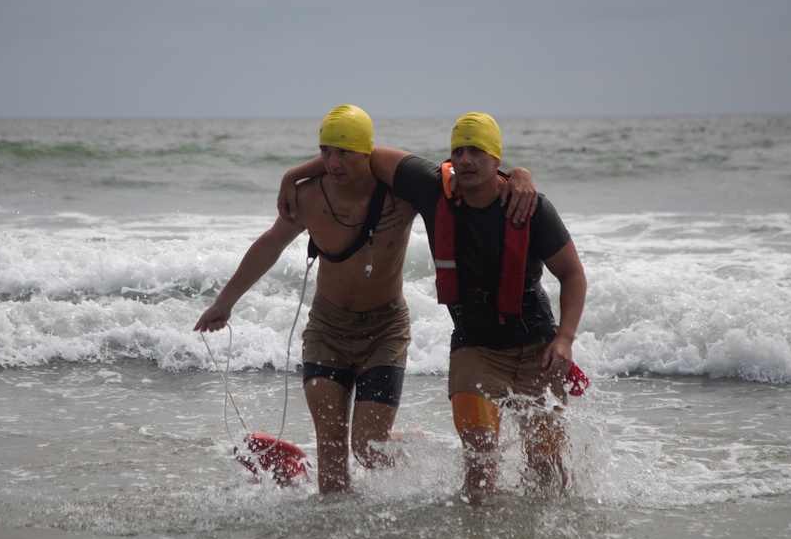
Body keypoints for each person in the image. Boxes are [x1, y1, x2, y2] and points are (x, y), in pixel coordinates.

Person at [195, 105, 538, 494]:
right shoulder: (309, 197)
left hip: (385, 330)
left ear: (367, 155)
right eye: (326, 152)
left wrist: (520, 175)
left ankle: (414, 450)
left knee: (368, 448)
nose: (333, 162)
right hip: (328, 328)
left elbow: (466, 181)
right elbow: (271, 244)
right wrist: (225, 302)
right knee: (331, 447)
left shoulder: (402, 196)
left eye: (344, 153)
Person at [279, 112, 586, 505]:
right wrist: (292, 176)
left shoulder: (531, 207)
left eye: (477, 151)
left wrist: (565, 339)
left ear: (497, 159)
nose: (466, 159)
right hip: (474, 349)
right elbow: (362, 154)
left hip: (537, 349)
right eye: (458, 151)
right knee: (479, 469)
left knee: (549, 475)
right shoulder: (432, 189)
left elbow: (573, 275)